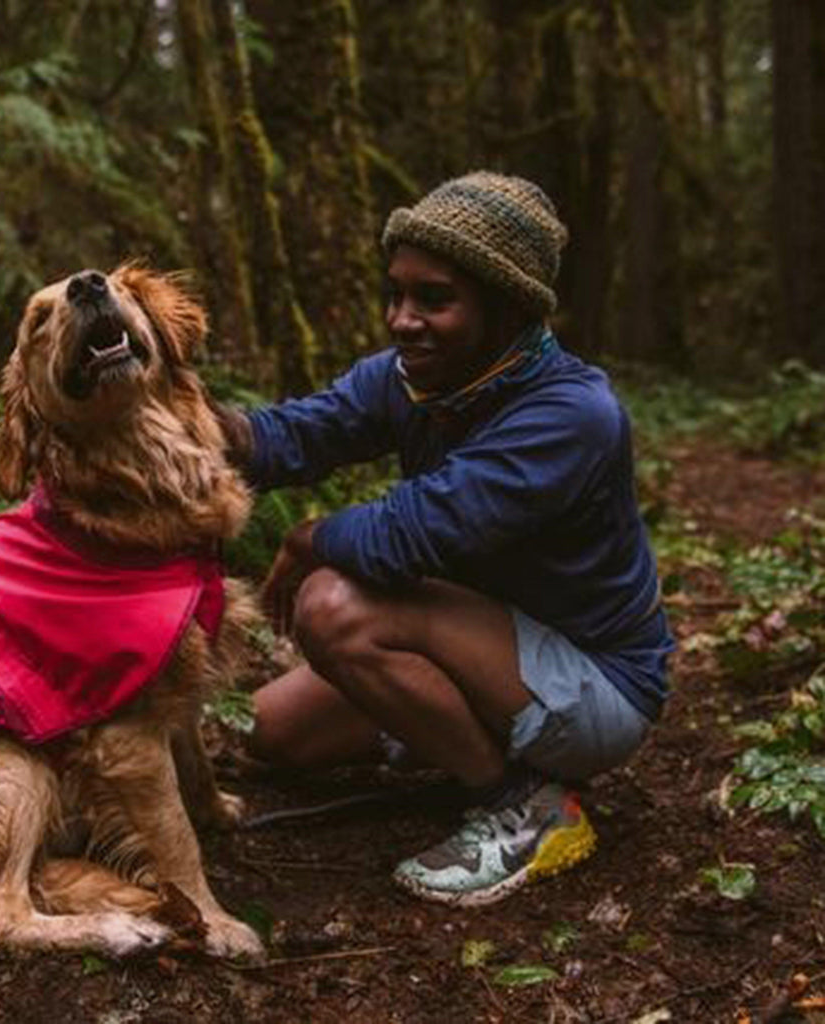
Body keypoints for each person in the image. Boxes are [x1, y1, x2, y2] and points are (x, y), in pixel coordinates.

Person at [216, 170, 673, 907]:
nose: (402, 319)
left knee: (332, 607)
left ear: (508, 308)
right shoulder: (415, 378)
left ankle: (524, 805)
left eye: (434, 299)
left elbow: (409, 535)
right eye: (396, 294)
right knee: (272, 733)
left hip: (595, 684)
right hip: (483, 645)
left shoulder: (571, 414)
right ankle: (461, 737)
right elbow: (295, 436)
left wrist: (309, 538)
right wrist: (178, 417)